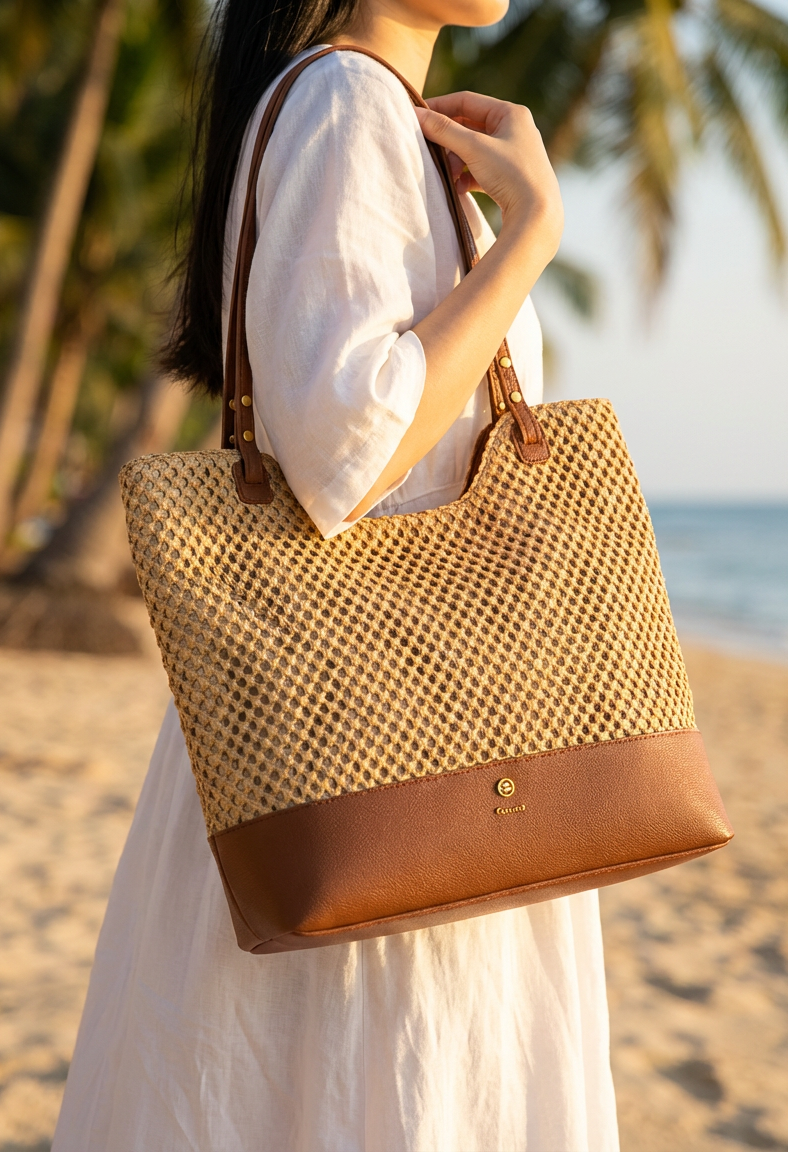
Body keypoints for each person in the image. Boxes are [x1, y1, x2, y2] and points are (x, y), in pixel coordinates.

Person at [53, 1, 619, 1148]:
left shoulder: (382, 122)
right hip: (382, 773)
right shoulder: (341, 103)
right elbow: (341, 448)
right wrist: (528, 239)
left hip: (409, 769)